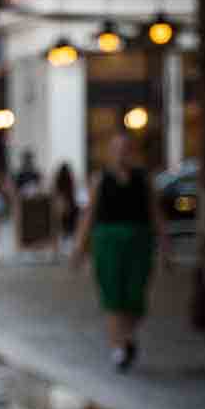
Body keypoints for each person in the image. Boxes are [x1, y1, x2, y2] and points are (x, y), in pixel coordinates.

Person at [73, 130, 171, 370]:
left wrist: (165, 244)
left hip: (138, 241)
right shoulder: (100, 179)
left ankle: (127, 336)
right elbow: (90, 215)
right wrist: (79, 247)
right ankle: (119, 345)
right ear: (110, 153)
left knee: (135, 295)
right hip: (108, 243)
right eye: (116, 150)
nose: (121, 154)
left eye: (125, 149)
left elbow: (155, 213)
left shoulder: (143, 179)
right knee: (113, 295)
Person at [51, 160, 78, 256]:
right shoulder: (72, 196)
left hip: (65, 234)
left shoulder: (58, 197)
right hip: (69, 234)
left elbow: (57, 222)